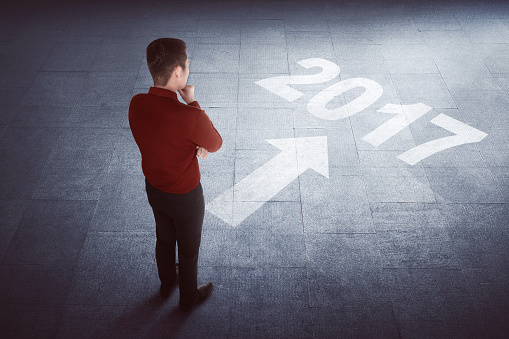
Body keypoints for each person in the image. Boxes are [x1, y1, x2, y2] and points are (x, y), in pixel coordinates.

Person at [128, 38, 222, 312]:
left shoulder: (136, 103)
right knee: (189, 250)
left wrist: (191, 143)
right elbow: (215, 143)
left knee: (164, 237)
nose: (189, 68)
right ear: (178, 72)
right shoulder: (188, 117)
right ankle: (188, 299)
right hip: (186, 195)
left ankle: (167, 283)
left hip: (154, 188)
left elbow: (161, 137)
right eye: (188, 65)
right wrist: (192, 102)